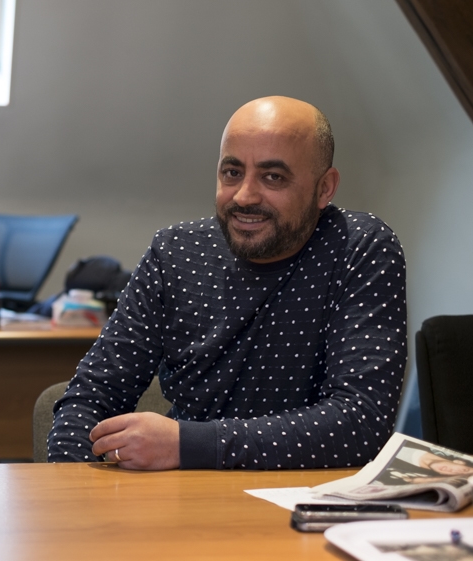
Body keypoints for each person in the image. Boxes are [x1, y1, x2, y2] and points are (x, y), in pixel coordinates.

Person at [48, 96, 407, 471]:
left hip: (308, 504)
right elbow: (91, 397)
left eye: (273, 177)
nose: (245, 196)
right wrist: (77, 501)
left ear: (324, 189)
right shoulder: (174, 253)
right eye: (232, 172)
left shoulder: (359, 248)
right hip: (180, 502)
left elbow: (360, 423)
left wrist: (186, 444)